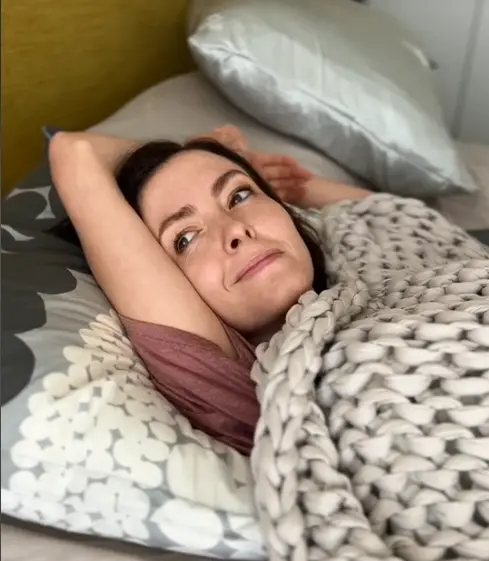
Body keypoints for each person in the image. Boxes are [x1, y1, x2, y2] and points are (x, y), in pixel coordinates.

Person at [49, 125, 371, 454]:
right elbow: (73, 151)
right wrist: (194, 149)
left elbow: (392, 213)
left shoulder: (363, 254)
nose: (235, 230)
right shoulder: (232, 375)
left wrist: (286, 182)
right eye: (185, 238)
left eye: (239, 196)